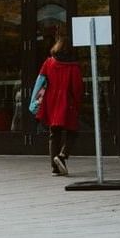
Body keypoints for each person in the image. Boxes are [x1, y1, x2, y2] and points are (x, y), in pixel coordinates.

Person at [33, 32, 83, 176]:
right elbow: (77, 88)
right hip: (68, 102)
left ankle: (55, 168)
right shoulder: (73, 66)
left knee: (54, 133)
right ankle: (62, 156)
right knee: (73, 132)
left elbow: (41, 80)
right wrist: (78, 103)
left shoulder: (49, 62)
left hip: (51, 101)